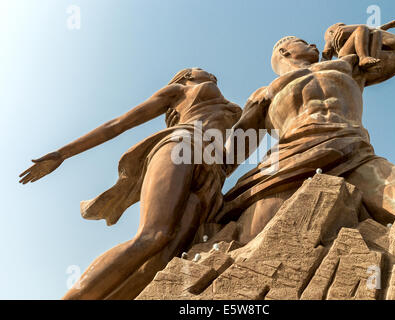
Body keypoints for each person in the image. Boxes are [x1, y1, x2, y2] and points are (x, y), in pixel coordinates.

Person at [219, 32, 395, 262]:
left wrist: (357, 31)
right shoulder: (266, 93)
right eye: (302, 42)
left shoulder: (346, 65)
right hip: (288, 165)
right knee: (249, 250)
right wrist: (205, 174)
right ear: (284, 52)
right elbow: (238, 143)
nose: (312, 43)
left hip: (354, 153)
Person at [19, 68, 242, 299]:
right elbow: (117, 124)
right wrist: (62, 154)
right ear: (186, 76)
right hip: (182, 146)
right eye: (200, 69)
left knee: (164, 260)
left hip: (212, 175)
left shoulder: (232, 108)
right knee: (153, 236)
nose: (209, 72)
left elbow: (239, 149)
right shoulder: (180, 90)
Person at [322, 19, 395, 68]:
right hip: (344, 54)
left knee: (376, 32)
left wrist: (389, 25)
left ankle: (373, 63)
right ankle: (363, 58)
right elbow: (326, 53)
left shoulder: (349, 34)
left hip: (356, 49)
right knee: (362, 28)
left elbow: (372, 30)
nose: (345, 28)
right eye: (340, 26)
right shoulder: (331, 39)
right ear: (331, 32)